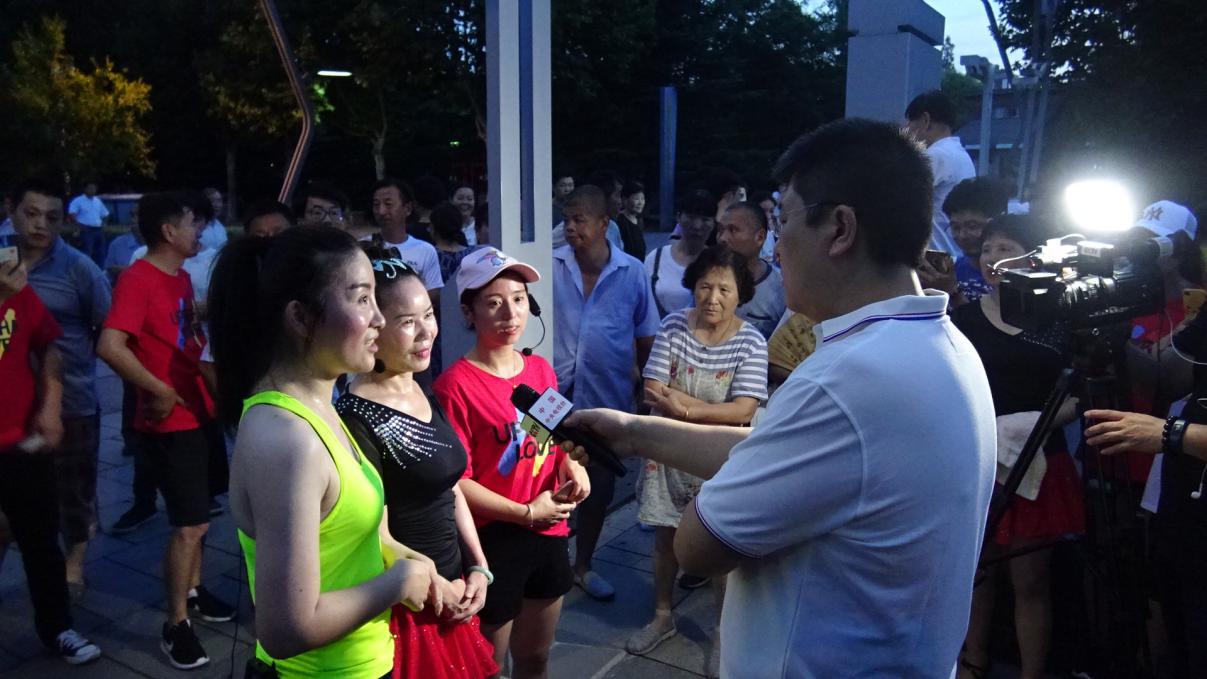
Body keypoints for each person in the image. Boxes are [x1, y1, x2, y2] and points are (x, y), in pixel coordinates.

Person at [561, 119, 997, 678]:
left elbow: (697, 547)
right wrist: (633, 432)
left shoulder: (845, 380)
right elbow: (775, 451)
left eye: (782, 221)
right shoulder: (945, 347)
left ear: (839, 228)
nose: (776, 247)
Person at [207, 226, 439, 678]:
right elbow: (285, 628)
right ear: (300, 317)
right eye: (362, 298)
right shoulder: (286, 438)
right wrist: (396, 584)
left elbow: (341, 540)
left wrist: (402, 557)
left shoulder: (322, 406)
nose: (379, 319)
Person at [336, 245, 498, 679]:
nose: (427, 331)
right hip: (409, 607)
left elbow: (450, 486)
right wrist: (437, 588)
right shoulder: (355, 415)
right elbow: (374, 531)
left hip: (455, 585)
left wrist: (479, 565)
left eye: (428, 314)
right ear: (374, 326)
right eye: (408, 322)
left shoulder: (421, 387)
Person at [433, 248, 590, 679]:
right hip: (491, 543)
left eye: (519, 299)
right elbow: (459, 482)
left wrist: (571, 467)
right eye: (493, 302)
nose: (510, 313)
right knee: (486, 668)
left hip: (549, 533)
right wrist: (525, 513)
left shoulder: (541, 371)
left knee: (535, 658)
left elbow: (549, 440)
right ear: (469, 313)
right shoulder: (453, 386)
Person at [97, 192, 235, 670]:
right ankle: (175, 623)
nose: (200, 232)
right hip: (171, 421)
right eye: (193, 223)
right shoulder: (138, 279)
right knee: (188, 524)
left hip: (199, 412)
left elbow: (181, 336)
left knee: (201, 517)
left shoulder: (179, 278)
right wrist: (159, 389)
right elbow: (110, 345)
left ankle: (194, 592)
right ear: (168, 231)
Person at [951, 215, 1085, 679]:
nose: (992, 259)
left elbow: (1083, 392)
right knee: (977, 572)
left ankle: (1032, 672)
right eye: (987, 249)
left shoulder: (1059, 318)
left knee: (1031, 580)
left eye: (1005, 249)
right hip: (977, 460)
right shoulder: (961, 320)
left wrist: (1031, 424)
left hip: (1042, 460)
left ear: (1034, 258)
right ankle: (973, 661)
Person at [624, 245, 766, 675]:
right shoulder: (672, 325)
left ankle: (723, 632)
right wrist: (706, 410)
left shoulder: (751, 341)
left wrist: (683, 408)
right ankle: (662, 615)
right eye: (705, 286)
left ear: (741, 294)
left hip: (718, 458)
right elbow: (653, 389)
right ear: (693, 286)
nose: (713, 298)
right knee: (665, 538)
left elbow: (744, 409)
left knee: (719, 546)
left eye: (725, 289)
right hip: (666, 453)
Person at [553, 185, 659, 601]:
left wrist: (644, 391)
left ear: (604, 223)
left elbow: (646, 337)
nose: (570, 227)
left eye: (579, 219)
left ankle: (584, 565)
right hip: (549, 398)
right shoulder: (551, 265)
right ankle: (551, 564)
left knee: (599, 485)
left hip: (607, 397)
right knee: (543, 476)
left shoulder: (632, 272)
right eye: (567, 218)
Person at [11, 179, 113, 598]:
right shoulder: (2, 262)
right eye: (32, 214)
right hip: (10, 403)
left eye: (52, 217)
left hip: (70, 400)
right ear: (12, 211)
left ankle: (74, 567)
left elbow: (106, 326)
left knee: (74, 491)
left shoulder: (79, 268)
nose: (41, 225)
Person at [0, 257, 103, 665]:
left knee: (41, 540)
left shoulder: (15, 288)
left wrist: (52, 405)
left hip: (22, 441)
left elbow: (49, 346)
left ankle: (58, 626)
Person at [904, 90, 976, 257]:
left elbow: (898, 200)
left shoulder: (935, 156)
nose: (906, 129)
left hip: (935, 257)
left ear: (925, 120)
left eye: (910, 122)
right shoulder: (961, 155)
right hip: (956, 252)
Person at [918, 177, 1009, 306]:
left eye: (972, 226)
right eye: (955, 227)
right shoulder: (952, 270)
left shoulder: (1010, 275)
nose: (962, 235)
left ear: (996, 221)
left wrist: (952, 293)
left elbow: (991, 319)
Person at [716, 202, 786, 339]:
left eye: (733, 230)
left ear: (760, 237)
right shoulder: (707, 278)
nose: (722, 238)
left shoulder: (781, 288)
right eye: (720, 230)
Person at [371, 178, 444, 309]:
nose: (381, 211)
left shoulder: (425, 250)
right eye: (376, 205)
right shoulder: (364, 246)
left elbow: (434, 291)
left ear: (408, 208)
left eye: (388, 204)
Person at [645, 189, 716, 318]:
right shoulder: (656, 259)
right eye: (691, 217)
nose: (697, 226)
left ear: (714, 223)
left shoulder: (718, 262)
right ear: (678, 217)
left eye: (705, 219)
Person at [551, 172, 624, 251]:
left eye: (570, 185)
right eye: (617, 194)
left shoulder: (613, 228)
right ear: (602, 197)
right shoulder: (570, 227)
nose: (620, 202)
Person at [67, 181, 109, 266]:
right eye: (90, 188)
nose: (92, 190)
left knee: (101, 253)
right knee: (87, 253)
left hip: (98, 230)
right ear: (85, 189)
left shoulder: (97, 201)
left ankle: (100, 271)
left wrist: (104, 224)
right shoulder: (78, 201)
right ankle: (85, 271)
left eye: (94, 188)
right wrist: (80, 226)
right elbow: (72, 214)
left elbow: (105, 213)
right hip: (86, 231)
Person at [614, 180, 647, 259]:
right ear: (625, 200)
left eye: (642, 198)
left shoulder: (639, 220)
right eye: (636, 199)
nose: (640, 203)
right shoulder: (620, 221)